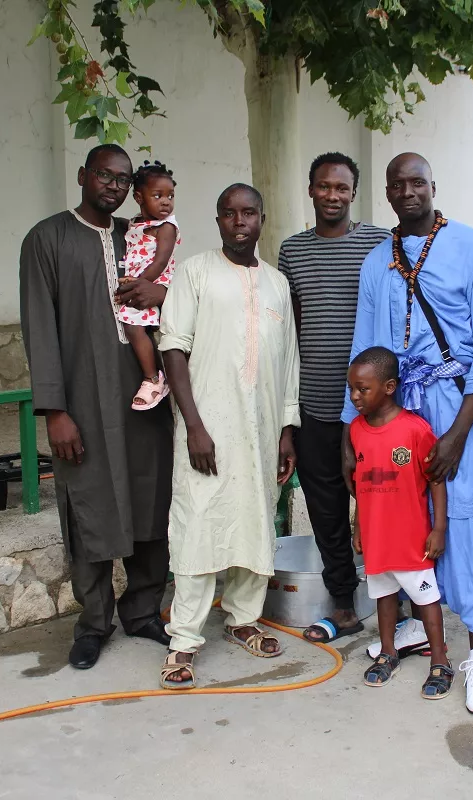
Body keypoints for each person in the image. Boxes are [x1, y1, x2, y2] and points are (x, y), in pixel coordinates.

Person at [345, 153, 473, 715]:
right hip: (396, 416)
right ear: (388, 194)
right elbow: (363, 353)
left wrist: (460, 433)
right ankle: (420, 627)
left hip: (454, 408)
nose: (408, 191)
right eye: (398, 184)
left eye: (418, 182)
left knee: (464, 518)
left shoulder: (472, 246)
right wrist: (354, 431)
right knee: (407, 523)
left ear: (433, 187)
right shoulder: (375, 263)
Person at [19, 144, 174, 671]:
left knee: (150, 499)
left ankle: (144, 609)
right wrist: (54, 410)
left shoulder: (140, 236)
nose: (112, 185)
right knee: (87, 506)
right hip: (83, 399)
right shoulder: (48, 239)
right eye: (104, 175)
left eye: (122, 179)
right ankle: (93, 622)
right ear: (83, 176)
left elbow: (171, 301)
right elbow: (39, 326)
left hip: (142, 397)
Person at [157, 183, 300, 689]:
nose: (239, 222)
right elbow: (173, 348)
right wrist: (193, 424)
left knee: (254, 519)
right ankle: (184, 641)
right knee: (198, 524)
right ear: (218, 221)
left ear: (262, 219)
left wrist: (287, 429)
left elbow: (288, 364)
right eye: (228, 214)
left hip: (262, 430)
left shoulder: (278, 285)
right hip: (208, 427)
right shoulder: (194, 273)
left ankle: (242, 619)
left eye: (248, 213)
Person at [277, 152, 391, 646]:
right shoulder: (292, 251)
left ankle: (399, 603)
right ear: (310, 190)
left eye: (341, 188)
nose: (332, 196)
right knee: (325, 508)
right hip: (316, 402)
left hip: (375, 408)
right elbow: (293, 326)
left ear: (353, 192)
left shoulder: (380, 243)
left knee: (384, 502)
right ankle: (343, 603)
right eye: (323, 186)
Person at [347, 346, 452, 698]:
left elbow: (436, 479)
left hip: (410, 538)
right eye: (352, 389)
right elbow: (362, 484)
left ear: (389, 387)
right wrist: (360, 526)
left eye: (363, 389)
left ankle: (440, 661)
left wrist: (438, 529)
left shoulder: (415, 429)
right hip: (377, 537)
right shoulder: (357, 431)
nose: (355, 397)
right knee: (384, 596)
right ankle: (388, 651)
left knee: (426, 599)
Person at [116, 160, 181, 410]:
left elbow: (161, 261)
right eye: (158, 195)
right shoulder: (136, 224)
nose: (166, 201)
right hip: (140, 282)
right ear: (139, 198)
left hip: (155, 283)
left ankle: (153, 379)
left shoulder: (166, 227)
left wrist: (140, 283)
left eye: (170, 196)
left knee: (134, 329)